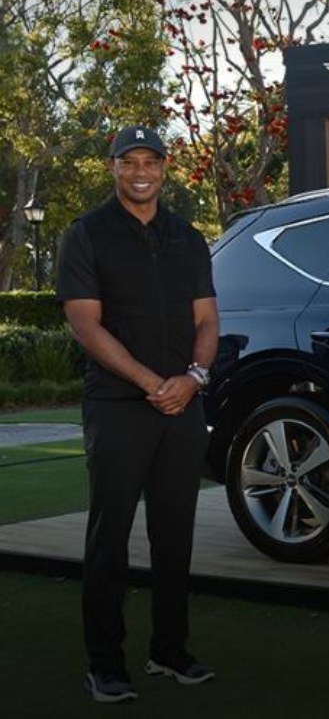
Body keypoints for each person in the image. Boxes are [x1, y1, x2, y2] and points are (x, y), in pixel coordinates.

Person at [55, 125, 220, 703]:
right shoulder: (87, 235)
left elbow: (206, 320)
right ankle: (105, 664)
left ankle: (169, 651)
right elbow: (85, 324)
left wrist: (193, 378)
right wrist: (156, 383)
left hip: (183, 404)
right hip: (119, 406)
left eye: (152, 160)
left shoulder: (188, 238)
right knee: (110, 536)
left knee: (175, 533)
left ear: (165, 167)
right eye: (131, 161)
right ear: (114, 168)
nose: (141, 170)